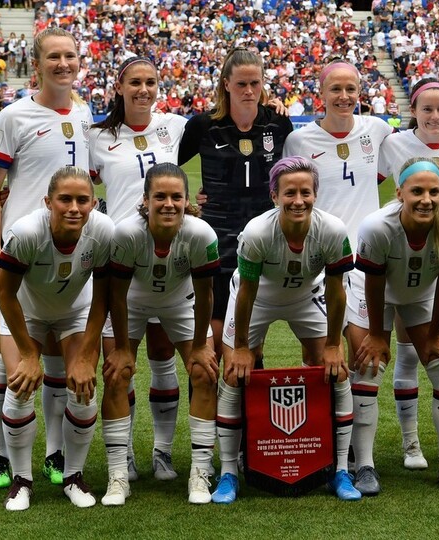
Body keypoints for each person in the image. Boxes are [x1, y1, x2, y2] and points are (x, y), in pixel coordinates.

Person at [283, 60, 439, 495]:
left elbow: (422, 133)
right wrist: (375, 331)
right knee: (360, 363)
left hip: (409, 274)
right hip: (349, 266)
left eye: (351, 88)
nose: (344, 96)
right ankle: (359, 461)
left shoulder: (377, 130)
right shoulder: (300, 139)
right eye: (336, 88)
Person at [212, 156, 360, 504]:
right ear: (274, 196)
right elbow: (246, 292)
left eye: (305, 192)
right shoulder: (257, 232)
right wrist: (243, 348)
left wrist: (334, 344)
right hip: (259, 298)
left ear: (315, 195)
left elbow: (337, 291)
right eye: (289, 193)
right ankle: (229, 472)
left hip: (306, 296)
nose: (298, 200)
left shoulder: (333, 230)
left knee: (336, 370)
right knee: (233, 372)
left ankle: (339, 468)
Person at [0, 27, 92, 490]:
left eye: (70, 56)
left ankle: (53, 453)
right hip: (20, 253)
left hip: (68, 254)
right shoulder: (14, 116)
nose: (63, 64)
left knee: (56, 363)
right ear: (37, 63)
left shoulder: (84, 114)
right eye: (54, 57)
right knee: (8, 360)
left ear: (79, 61)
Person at [89, 56, 187, 483]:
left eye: (150, 82)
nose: (143, 90)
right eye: (135, 82)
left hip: (166, 259)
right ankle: (124, 453)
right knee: (118, 364)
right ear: (119, 86)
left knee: (163, 357)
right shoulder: (97, 136)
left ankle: (162, 453)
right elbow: (74, 178)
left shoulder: (175, 126)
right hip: (120, 263)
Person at [351, 157, 439, 495]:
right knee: (368, 367)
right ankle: (364, 466)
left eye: (434, 192)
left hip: (422, 294)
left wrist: (434, 334)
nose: (426, 200)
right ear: (400, 193)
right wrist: (377, 334)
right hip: (372, 295)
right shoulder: (377, 227)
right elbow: (374, 282)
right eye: (417, 191)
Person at [0, 166, 114, 510]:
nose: (74, 208)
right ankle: (21, 481)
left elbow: (103, 298)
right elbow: (5, 294)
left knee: (83, 389)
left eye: (82, 200)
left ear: (93, 203)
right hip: (26, 313)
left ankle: (73, 477)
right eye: (65, 199)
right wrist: (28, 355)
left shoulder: (103, 232)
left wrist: (86, 356)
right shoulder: (26, 232)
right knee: (19, 387)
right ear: (48, 202)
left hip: (75, 312)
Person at [104, 163, 220, 505]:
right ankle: (118, 475)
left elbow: (205, 294)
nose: (168, 204)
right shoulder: (126, 233)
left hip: (180, 303)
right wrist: (122, 348)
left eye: (176, 197)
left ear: (186, 200)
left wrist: (200, 346)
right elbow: (116, 294)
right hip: (131, 303)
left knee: (204, 372)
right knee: (116, 373)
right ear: (146, 200)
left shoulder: (201, 234)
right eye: (160, 197)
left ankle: (200, 472)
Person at [377, 78, 439, 472]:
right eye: (427, 109)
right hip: (409, 260)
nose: (435, 116)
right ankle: (411, 442)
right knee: (407, 352)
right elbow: (363, 179)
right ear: (412, 110)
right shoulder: (392, 144)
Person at [178, 48, 294, 360]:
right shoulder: (203, 126)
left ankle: (249, 392)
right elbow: (167, 165)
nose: (249, 90)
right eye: (241, 83)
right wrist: (185, 198)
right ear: (226, 83)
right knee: (214, 342)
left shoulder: (278, 124)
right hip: (217, 239)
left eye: (255, 83)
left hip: (264, 239)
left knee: (252, 339)